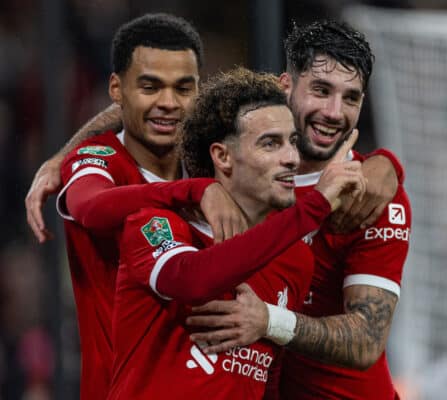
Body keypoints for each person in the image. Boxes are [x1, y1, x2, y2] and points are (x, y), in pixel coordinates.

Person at [108, 67, 366, 398]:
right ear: (223, 156)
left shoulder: (295, 259)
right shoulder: (157, 224)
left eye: (292, 142)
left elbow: (269, 378)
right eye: (270, 144)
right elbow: (192, 280)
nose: (291, 158)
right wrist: (314, 206)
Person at [186, 20, 411, 400]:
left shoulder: (370, 196)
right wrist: (200, 188)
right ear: (285, 86)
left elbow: (367, 339)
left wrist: (269, 322)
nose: (334, 112)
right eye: (321, 91)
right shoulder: (238, 172)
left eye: (351, 98)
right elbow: (153, 112)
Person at [51, 14, 247, 400]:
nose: (169, 103)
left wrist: (381, 166)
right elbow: (90, 207)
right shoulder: (99, 159)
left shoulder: (219, 166)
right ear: (116, 89)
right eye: (150, 86)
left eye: (182, 88)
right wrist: (192, 191)